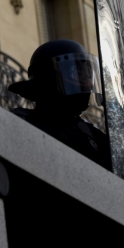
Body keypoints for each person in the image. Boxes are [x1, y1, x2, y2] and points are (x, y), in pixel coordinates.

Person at [8, 39, 110, 169]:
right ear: (50, 79)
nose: (89, 84)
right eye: (78, 74)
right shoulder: (21, 122)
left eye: (88, 75)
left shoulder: (96, 137)